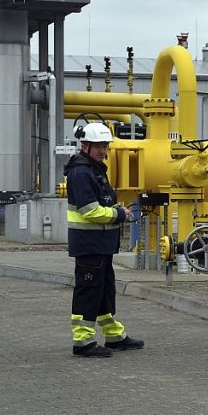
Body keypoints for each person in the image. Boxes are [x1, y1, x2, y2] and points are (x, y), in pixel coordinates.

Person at [64, 122, 144, 358]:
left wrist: (117, 209)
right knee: (88, 291)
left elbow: (101, 204)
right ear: (85, 146)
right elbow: (90, 210)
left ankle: (113, 335)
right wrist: (119, 214)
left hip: (101, 244)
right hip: (89, 245)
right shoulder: (81, 173)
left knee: (104, 290)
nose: (103, 150)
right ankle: (82, 342)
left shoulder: (95, 169)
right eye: (98, 146)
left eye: (105, 146)